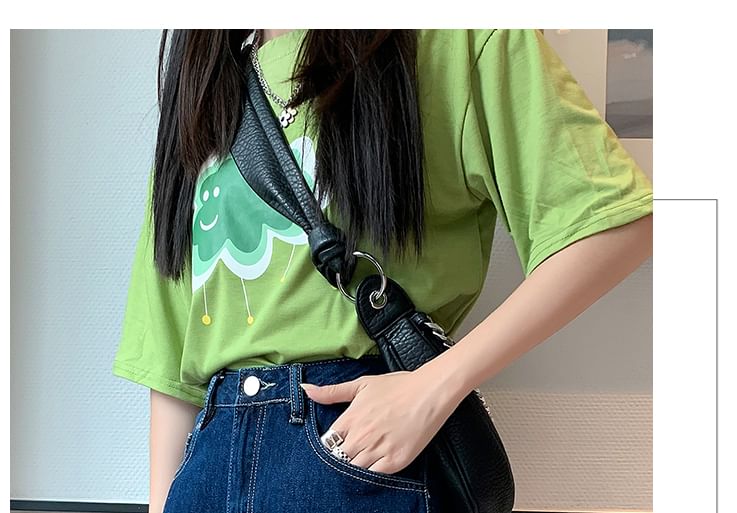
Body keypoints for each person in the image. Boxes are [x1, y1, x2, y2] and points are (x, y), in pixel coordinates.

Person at [112, 29, 653, 513]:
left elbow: (612, 223)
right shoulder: (205, 85)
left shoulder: (454, 36)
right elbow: (170, 355)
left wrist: (434, 387)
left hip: (356, 453)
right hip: (208, 462)